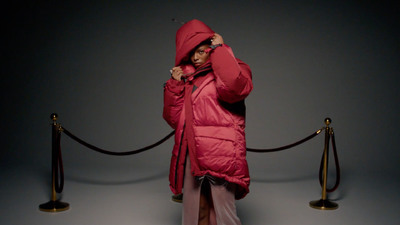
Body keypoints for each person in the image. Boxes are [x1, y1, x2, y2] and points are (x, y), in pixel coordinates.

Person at [163, 19, 253, 225]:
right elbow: (174, 120)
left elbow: (233, 89)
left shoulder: (237, 68)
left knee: (225, 213)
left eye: (201, 51)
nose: (195, 57)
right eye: (191, 52)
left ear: (211, 49)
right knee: (196, 212)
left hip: (220, 154)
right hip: (192, 154)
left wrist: (220, 50)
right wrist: (175, 87)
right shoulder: (188, 78)